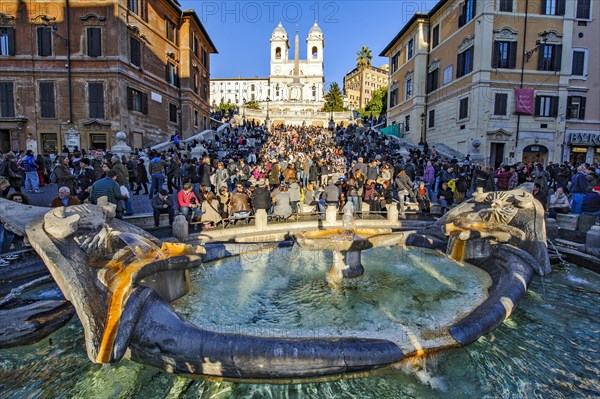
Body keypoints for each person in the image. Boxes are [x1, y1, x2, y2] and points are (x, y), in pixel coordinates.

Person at [0, 192, 29, 258]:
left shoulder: (27, 208)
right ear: (11, 200)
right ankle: (4, 255)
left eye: (19, 199)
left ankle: (23, 254)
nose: (18, 201)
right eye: (15, 199)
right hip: (10, 229)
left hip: (22, 229)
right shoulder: (6, 209)